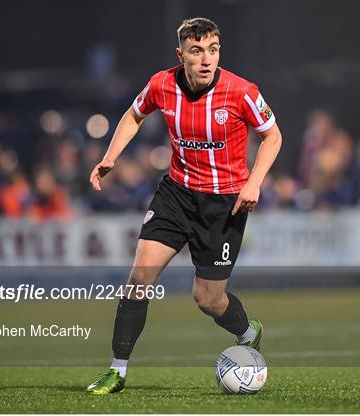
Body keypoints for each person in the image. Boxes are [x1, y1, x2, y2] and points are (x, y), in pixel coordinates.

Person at [87, 17, 282, 394]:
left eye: (213, 50)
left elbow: (273, 136)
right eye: (197, 51)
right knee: (139, 278)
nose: (207, 59)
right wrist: (111, 156)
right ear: (182, 55)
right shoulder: (162, 84)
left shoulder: (241, 91)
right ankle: (117, 370)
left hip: (224, 204)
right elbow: (133, 114)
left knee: (207, 299)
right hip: (176, 194)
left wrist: (254, 183)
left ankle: (246, 330)